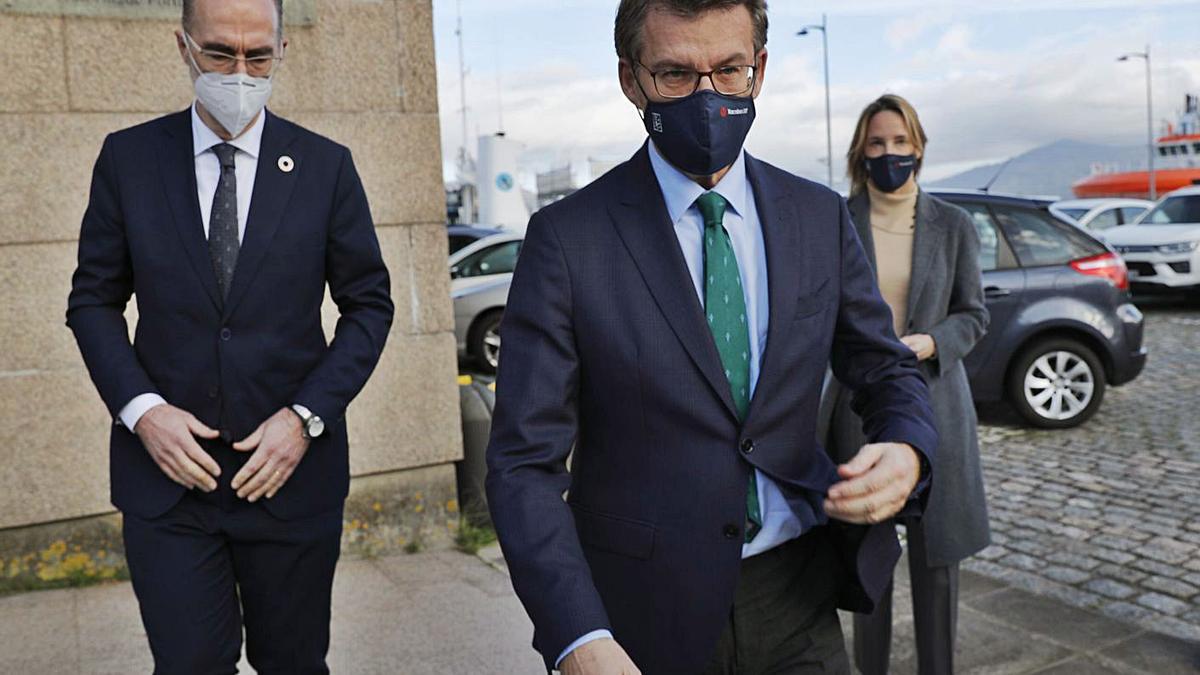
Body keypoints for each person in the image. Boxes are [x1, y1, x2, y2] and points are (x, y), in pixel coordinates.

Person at [485, 2, 939, 673]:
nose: (708, 97)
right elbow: (523, 463)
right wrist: (576, 636)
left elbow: (883, 366)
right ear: (630, 78)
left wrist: (907, 445)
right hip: (638, 616)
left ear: (758, 69)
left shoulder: (817, 217)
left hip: (799, 596)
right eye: (675, 74)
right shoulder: (567, 241)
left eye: (728, 69)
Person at [65, 0, 394, 671]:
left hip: (290, 482)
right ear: (182, 47)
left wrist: (306, 418)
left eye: (259, 55)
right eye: (219, 53)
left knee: (294, 662)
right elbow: (93, 301)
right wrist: (143, 412)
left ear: (280, 51)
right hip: (168, 488)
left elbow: (370, 305)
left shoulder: (326, 167)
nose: (240, 72)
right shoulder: (127, 161)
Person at [819, 94, 990, 675]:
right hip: (858, 410)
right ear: (859, 153)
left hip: (938, 404)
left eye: (899, 142)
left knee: (936, 562)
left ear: (917, 147)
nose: (888, 153)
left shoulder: (955, 224)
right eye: (876, 143)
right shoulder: (838, 219)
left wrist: (931, 341)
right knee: (868, 564)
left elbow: (974, 313)